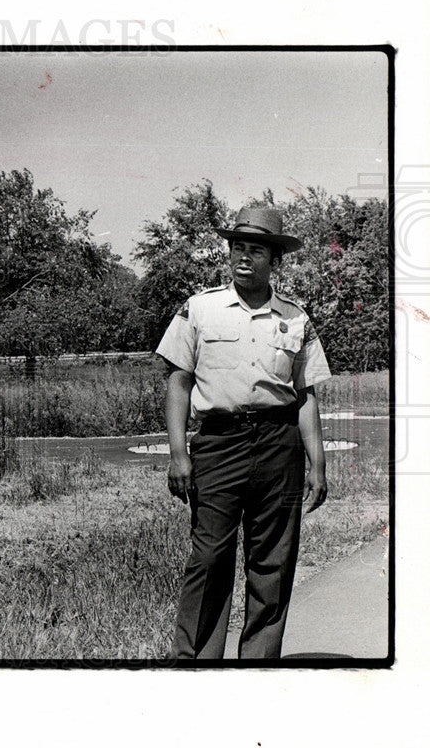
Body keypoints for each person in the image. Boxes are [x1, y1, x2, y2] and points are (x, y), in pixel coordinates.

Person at [155, 205, 332, 659]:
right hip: (218, 444)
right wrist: (179, 454)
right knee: (209, 556)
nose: (244, 256)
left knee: (272, 559)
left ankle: (258, 665)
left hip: (279, 444)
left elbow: (305, 394)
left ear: (275, 260)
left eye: (256, 249)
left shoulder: (296, 319)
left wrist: (318, 463)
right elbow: (178, 381)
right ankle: (194, 664)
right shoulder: (200, 308)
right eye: (238, 246)